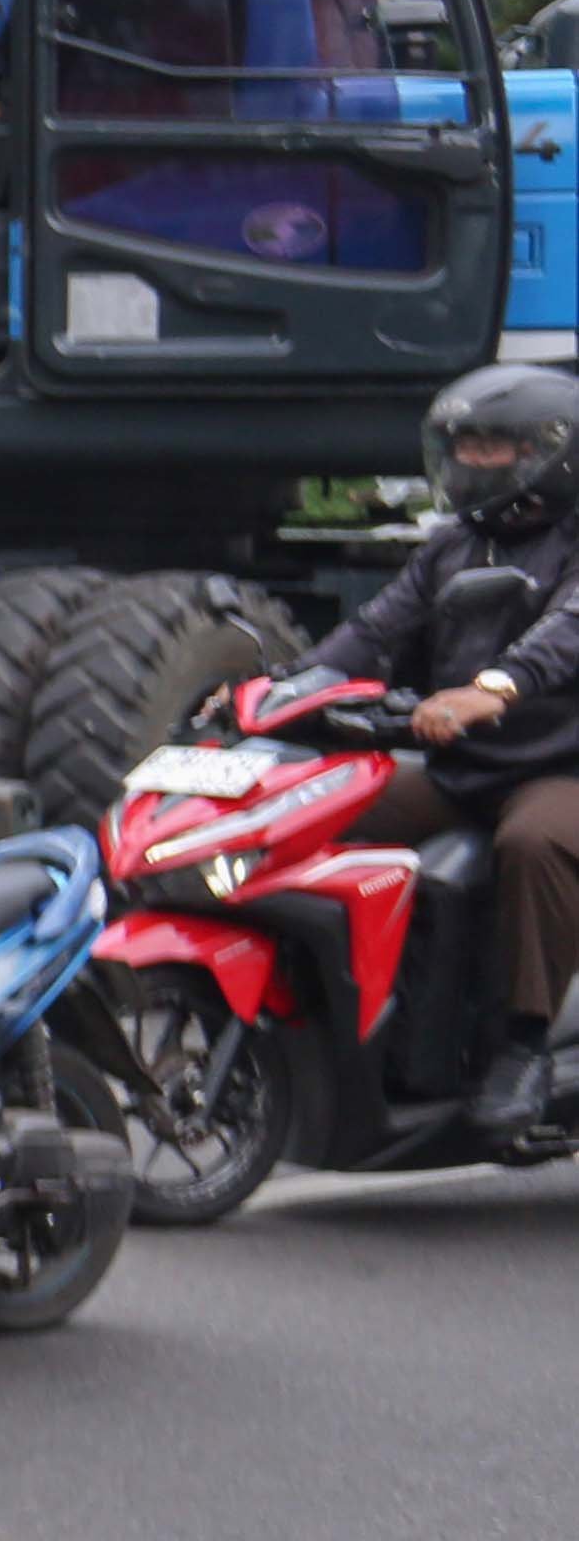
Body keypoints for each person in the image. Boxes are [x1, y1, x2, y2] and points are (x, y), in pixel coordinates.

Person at [301, 363, 579, 1137]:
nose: (474, 459)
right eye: (466, 444)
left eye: (496, 444)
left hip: (560, 771)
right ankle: (326, 1004)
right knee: (319, 803)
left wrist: (496, 687)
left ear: (551, 452)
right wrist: (276, 690)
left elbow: (566, 631)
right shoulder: (453, 546)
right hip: (470, 771)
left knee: (535, 842)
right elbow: (370, 633)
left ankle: (524, 1047)